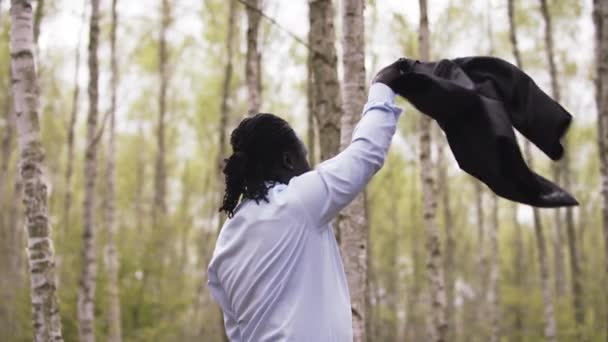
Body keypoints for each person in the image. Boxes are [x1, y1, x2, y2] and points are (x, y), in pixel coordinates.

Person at [207, 61, 404, 341]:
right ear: (288, 160)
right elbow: (366, 153)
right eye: (304, 157)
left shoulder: (225, 243)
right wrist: (384, 86)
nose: (310, 167)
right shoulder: (295, 203)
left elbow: (237, 332)